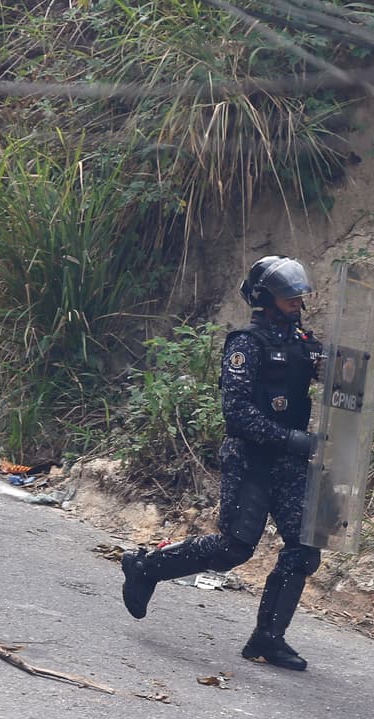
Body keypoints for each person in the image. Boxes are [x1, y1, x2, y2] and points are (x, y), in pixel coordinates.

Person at [120, 256, 325, 671]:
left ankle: (268, 638)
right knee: (235, 547)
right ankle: (146, 567)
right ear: (266, 298)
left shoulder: (304, 342)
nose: (297, 301)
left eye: (299, 295)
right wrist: (290, 438)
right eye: (289, 295)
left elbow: (336, 371)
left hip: (289, 464)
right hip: (251, 460)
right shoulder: (245, 345)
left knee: (303, 550)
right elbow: (237, 414)